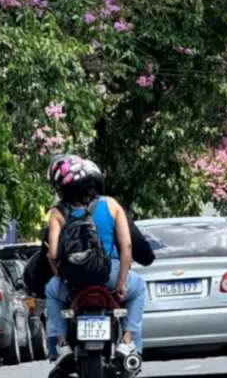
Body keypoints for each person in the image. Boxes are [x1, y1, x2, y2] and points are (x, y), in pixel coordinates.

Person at [45, 155, 147, 364]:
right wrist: (120, 282)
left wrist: (59, 274)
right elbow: (127, 245)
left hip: (74, 282)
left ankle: (62, 344)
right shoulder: (111, 204)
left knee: (51, 290)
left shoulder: (57, 212)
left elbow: (53, 254)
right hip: (109, 275)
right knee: (140, 287)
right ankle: (127, 341)